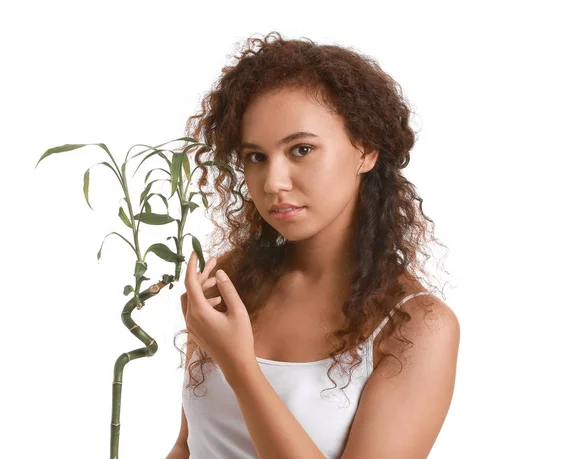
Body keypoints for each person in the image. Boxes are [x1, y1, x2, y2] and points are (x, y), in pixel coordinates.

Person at [166, 31, 460, 459]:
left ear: (366, 150)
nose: (273, 183)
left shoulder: (416, 327)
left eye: (301, 149)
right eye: (256, 157)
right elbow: (187, 447)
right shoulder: (232, 281)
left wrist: (240, 368)